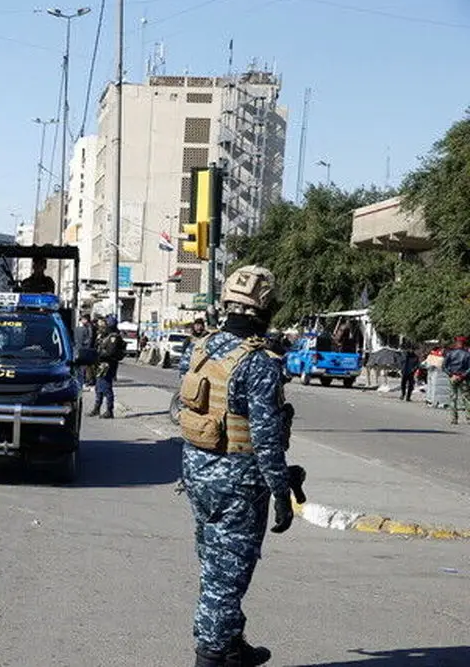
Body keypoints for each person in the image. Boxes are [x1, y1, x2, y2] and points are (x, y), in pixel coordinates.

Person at [176, 265, 293, 667]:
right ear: (264, 307)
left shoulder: (202, 347)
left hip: (197, 473)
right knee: (228, 576)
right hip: (238, 484)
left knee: (216, 563)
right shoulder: (259, 362)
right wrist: (280, 490)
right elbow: (266, 437)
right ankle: (212, 654)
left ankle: (231, 644)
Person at [90, 315, 125, 418]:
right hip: (101, 364)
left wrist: (98, 354)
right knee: (98, 387)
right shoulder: (105, 335)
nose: (102, 325)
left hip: (107, 365)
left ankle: (109, 410)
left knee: (106, 387)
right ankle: (97, 408)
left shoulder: (113, 337)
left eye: (105, 324)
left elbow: (110, 352)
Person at [442, 336, 469, 424]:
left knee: (453, 398)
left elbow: (444, 366)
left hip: (452, 378)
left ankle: (454, 418)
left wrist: (451, 374)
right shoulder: (467, 354)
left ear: (456, 343)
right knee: (466, 398)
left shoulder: (450, 353)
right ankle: (469, 417)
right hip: (464, 378)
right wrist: (462, 375)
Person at [73, 314, 96, 386]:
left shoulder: (87, 328)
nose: (82, 320)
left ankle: (84, 380)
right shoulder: (85, 328)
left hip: (82, 349)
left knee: (83, 366)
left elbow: (89, 339)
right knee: (83, 366)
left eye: (83, 319)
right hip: (82, 349)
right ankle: (84, 380)